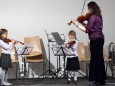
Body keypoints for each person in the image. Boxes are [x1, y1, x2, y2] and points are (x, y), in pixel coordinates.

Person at [71, 1, 106, 85]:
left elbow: (86, 30)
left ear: (91, 8)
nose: (88, 11)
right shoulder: (98, 16)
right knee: (99, 59)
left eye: (89, 9)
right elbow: (89, 26)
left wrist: (76, 25)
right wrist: (80, 22)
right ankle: (100, 80)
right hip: (100, 39)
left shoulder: (93, 17)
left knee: (96, 60)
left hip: (95, 39)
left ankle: (99, 80)